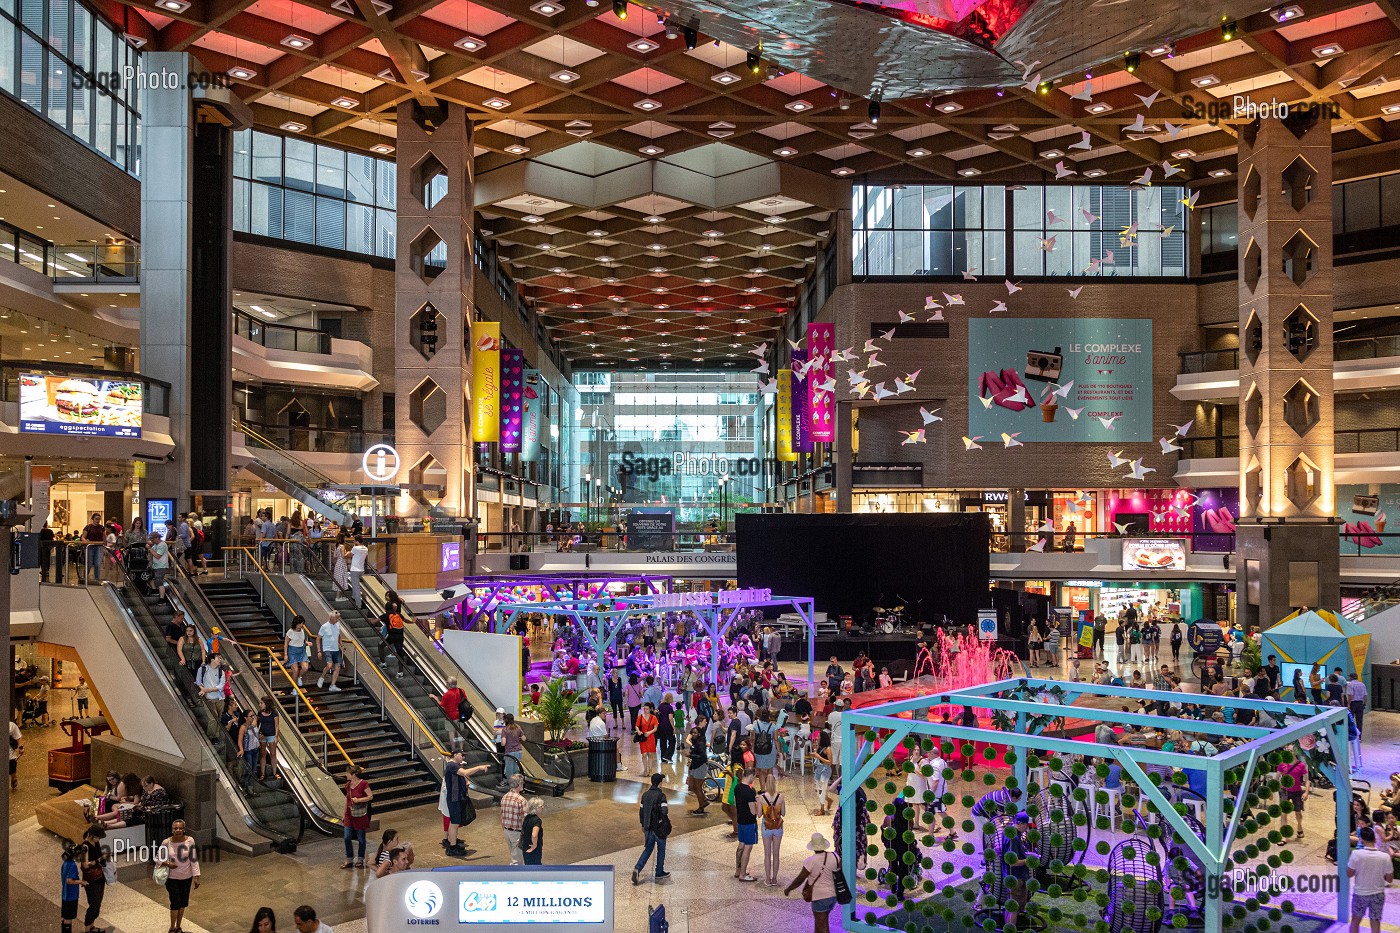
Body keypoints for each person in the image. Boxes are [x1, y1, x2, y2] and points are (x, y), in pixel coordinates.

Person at [784, 833, 840, 933]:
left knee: (823, 927)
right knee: (820, 922)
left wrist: (789, 889)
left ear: (813, 847)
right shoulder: (834, 856)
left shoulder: (811, 861)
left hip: (820, 897)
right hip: (833, 896)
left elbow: (800, 878)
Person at [442, 751, 489, 857]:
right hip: (455, 799)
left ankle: (451, 843)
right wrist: (479, 767)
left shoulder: (454, 766)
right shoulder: (452, 765)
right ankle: (452, 848)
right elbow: (465, 773)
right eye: (461, 755)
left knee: (453, 822)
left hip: (456, 798)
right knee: (454, 823)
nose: (462, 757)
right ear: (454, 755)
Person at [1349, 826, 1393, 933]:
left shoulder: (1356, 854)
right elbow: (1390, 879)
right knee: (1375, 922)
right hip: (1378, 894)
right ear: (1374, 839)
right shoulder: (1385, 857)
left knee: (1355, 920)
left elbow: (1349, 873)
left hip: (1360, 893)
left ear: (1361, 840)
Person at [160, 818, 200, 933]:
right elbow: (157, 858)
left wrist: (196, 877)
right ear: (172, 830)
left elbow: (194, 859)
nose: (178, 830)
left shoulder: (190, 840)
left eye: (180, 828)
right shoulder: (166, 842)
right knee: (175, 902)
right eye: (175, 828)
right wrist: (167, 863)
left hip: (186, 877)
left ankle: (179, 927)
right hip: (172, 878)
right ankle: (172, 928)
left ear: (184, 829)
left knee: (183, 902)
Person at [632, 772, 670, 884]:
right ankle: (659, 872)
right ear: (659, 783)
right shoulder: (661, 796)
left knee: (648, 849)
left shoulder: (645, 795)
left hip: (648, 827)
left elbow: (641, 812)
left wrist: (643, 825)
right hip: (659, 828)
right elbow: (664, 811)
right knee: (661, 849)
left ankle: (637, 869)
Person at [78, 823, 109, 933]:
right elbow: (85, 865)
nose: (99, 839)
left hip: (99, 876)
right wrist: (99, 860)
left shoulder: (96, 843)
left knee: (97, 903)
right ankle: (87, 928)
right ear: (92, 835)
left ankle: (92, 926)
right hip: (91, 879)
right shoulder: (84, 847)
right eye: (98, 837)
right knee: (93, 904)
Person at [1004, 812, 1033, 929]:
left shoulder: (1008, 832)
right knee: (1014, 909)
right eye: (1026, 826)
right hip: (1017, 877)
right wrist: (1028, 861)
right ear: (1020, 824)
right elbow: (1013, 862)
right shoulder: (1014, 839)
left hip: (1010, 876)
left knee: (1010, 905)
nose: (1027, 828)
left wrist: (1026, 854)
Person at [341, 766, 373, 868]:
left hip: (360, 814)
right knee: (347, 837)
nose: (346, 774)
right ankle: (349, 858)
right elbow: (347, 800)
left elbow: (370, 796)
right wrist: (344, 814)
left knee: (361, 838)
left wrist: (359, 800)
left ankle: (360, 858)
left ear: (353, 774)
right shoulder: (348, 785)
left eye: (347, 773)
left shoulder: (364, 783)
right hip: (349, 814)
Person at [758, 772, 786, 886]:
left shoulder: (761, 798)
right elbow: (783, 813)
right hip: (778, 826)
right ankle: (775, 878)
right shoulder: (781, 797)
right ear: (775, 783)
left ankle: (768, 880)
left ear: (765, 784)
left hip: (766, 827)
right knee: (776, 854)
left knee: (767, 854)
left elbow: (759, 815)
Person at [734, 768, 760, 882]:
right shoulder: (750, 791)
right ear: (751, 776)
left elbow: (737, 803)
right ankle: (743, 874)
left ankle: (738, 870)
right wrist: (758, 802)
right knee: (748, 848)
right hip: (749, 822)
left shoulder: (737, 787)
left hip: (740, 820)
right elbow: (753, 811)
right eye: (754, 777)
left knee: (741, 845)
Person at [1279, 748, 1309, 838]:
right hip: (1284, 791)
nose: (1289, 752)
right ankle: (1284, 836)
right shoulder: (1282, 764)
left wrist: (1306, 792)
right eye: (1288, 750)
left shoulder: (1301, 765)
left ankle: (1299, 827)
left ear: (1295, 752)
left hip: (1296, 791)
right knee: (1283, 813)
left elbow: (1307, 780)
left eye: (1291, 750)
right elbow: (1276, 777)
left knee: (1298, 812)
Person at [197, 656, 229, 742]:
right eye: (218, 658)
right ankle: (211, 737)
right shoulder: (202, 669)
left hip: (220, 698)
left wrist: (206, 690)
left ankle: (216, 735)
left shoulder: (220, 671)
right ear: (212, 660)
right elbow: (198, 682)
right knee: (213, 718)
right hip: (209, 699)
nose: (220, 660)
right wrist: (203, 689)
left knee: (218, 718)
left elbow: (221, 686)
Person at [499, 774, 528, 865]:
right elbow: (525, 818)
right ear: (519, 784)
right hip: (517, 832)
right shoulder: (521, 800)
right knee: (517, 860)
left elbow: (502, 814)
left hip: (506, 830)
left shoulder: (505, 797)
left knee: (513, 854)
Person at [316, 613, 344, 691]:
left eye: (338, 618)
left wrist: (341, 644)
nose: (337, 620)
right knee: (329, 665)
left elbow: (338, 635)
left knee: (338, 666)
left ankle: (332, 685)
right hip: (327, 649)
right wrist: (319, 651)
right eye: (336, 618)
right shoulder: (324, 626)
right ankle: (322, 677)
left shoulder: (338, 625)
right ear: (331, 618)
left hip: (336, 649)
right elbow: (318, 638)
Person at [256, 695, 278, 782]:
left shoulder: (274, 713)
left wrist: (276, 736)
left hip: (271, 735)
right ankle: (262, 773)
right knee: (262, 753)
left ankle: (274, 772)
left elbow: (276, 725)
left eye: (261, 703)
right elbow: (257, 724)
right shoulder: (259, 712)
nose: (260, 704)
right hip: (262, 735)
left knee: (273, 754)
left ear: (266, 704)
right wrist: (257, 734)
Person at [61, 844, 82, 933]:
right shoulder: (73, 865)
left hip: (65, 894)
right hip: (71, 895)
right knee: (68, 919)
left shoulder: (65, 863)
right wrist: (81, 881)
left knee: (64, 917)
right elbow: (69, 881)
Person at [634, 702, 659, 775]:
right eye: (644, 709)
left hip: (650, 737)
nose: (645, 710)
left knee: (650, 754)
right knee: (644, 754)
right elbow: (637, 726)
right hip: (643, 737)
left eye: (647, 709)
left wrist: (649, 732)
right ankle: (645, 769)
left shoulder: (653, 717)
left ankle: (650, 770)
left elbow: (655, 728)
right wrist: (638, 731)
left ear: (650, 709)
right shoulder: (640, 717)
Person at [520, 797, 545, 865]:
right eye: (541, 806)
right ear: (536, 808)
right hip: (533, 849)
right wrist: (534, 846)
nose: (543, 807)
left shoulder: (527, 817)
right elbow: (534, 835)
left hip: (526, 846)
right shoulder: (537, 820)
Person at [81, 513, 105, 584]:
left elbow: (104, 538)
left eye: (99, 519)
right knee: (89, 563)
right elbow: (83, 537)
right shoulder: (88, 527)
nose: (98, 521)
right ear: (93, 519)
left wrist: (105, 547)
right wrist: (85, 541)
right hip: (90, 547)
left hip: (99, 547)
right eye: (96, 519)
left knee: (97, 564)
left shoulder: (102, 528)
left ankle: (97, 579)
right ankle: (85, 577)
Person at [348, 537, 369, 607]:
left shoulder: (355, 548)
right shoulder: (366, 548)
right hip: (361, 569)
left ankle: (358, 605)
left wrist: (350, 550)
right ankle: (354, 597)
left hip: (354, 569)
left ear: (357, 541)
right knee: (358, 586)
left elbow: (349, 555)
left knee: (356, 587)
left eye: (354, 541)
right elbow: (365, 557)